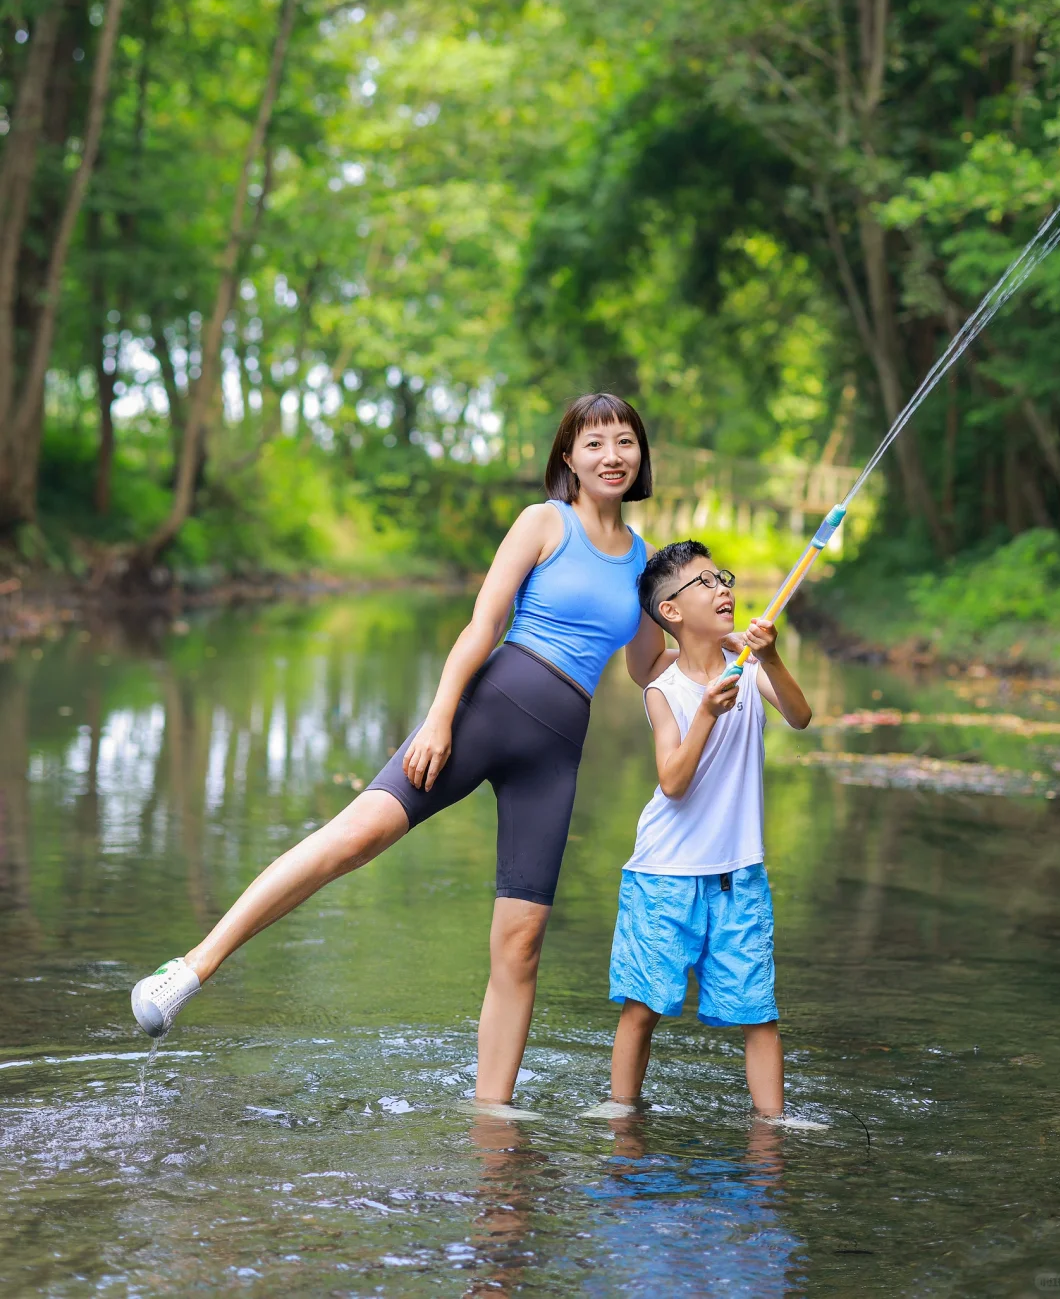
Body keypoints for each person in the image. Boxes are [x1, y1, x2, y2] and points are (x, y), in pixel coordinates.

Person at [130, 393, 673, 1108]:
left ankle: (492, 1115)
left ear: (641, 457)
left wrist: (724, 649)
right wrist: (439, 717)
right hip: (486, 709)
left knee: (521, 944)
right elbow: (483, 625)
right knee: (354, 837)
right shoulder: (545, 523)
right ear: (568, 457)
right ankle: (191, 969)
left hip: (555, 755)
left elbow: (646, 665)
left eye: (624, 441)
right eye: (595, 442)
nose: (611, 455)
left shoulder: (641, 562)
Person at [605, 539, 812, 1119]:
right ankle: (624, 1120)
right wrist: (706, 714)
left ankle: (772, 1133)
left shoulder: (744, 665)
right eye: (705, 583)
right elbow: (672, 780)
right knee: (643, 1007)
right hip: (664, 874)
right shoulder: (663, 690)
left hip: (738, 873)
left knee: (759, 1012)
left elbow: (800, 715)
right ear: (670, 611)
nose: (724, 589)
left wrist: (769, 658)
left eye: (722, 578)